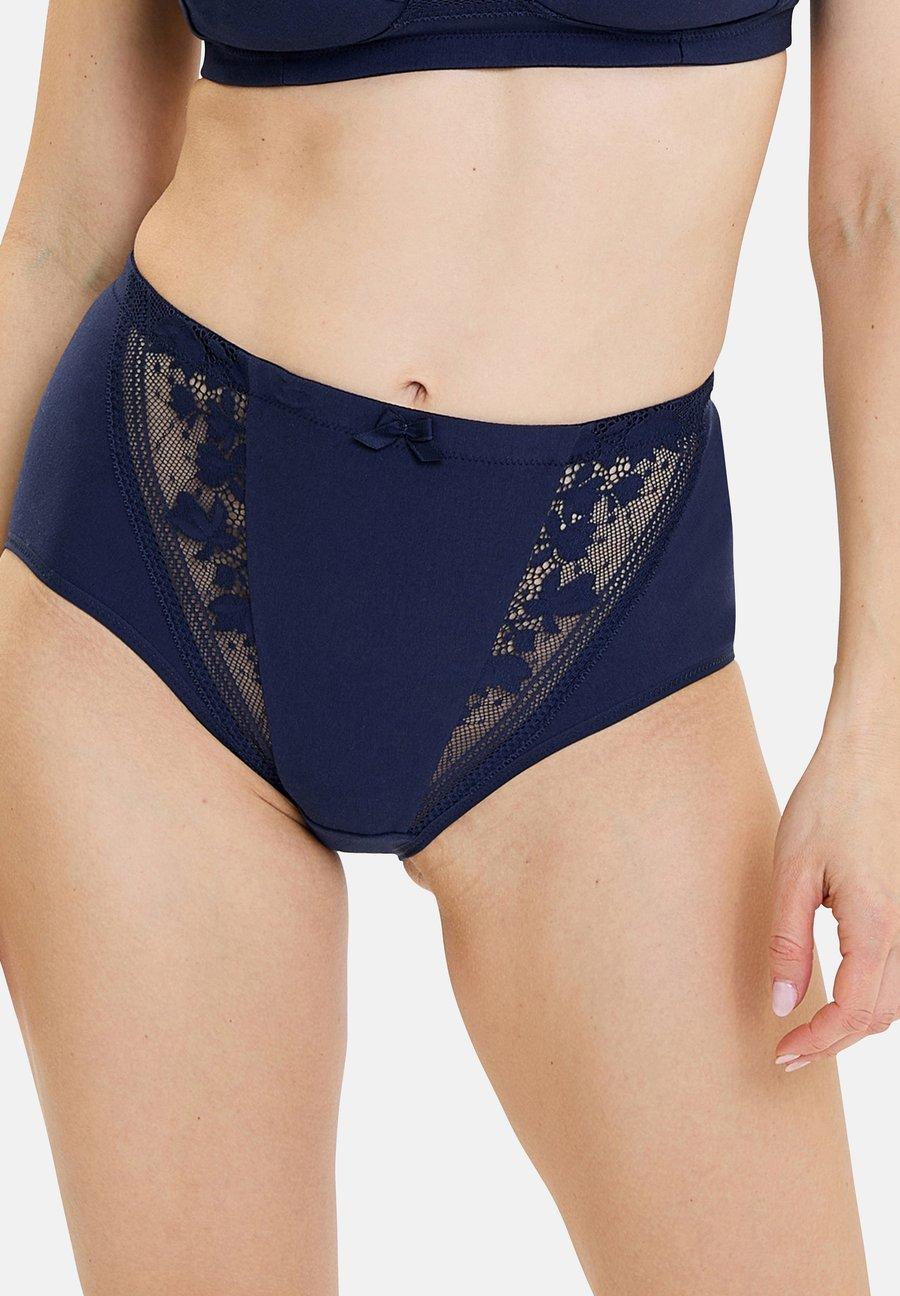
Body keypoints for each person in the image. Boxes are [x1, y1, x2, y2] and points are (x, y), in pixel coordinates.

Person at [0, 3, 895, 1292]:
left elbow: (876, 209)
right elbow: (64, 224)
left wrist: (880, 730)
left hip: (599, 624)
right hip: (150, 579)